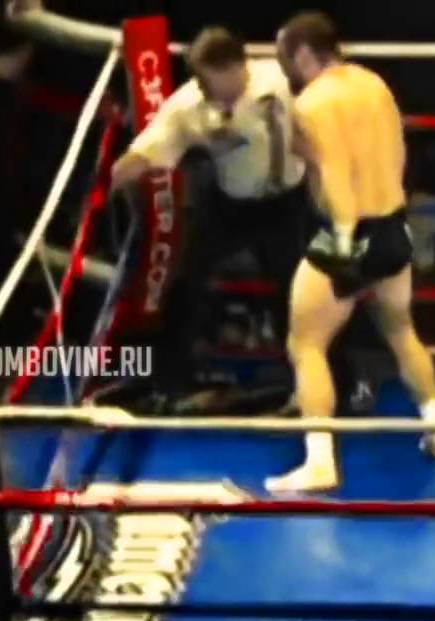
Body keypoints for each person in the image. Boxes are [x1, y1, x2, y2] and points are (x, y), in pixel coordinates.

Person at [267, 11, 435, 494]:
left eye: (284, 54)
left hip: (351, 230)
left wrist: (345, 239)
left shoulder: (312, 103)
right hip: (393, 223)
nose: (282, 64)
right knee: (401, 330)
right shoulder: (375, 84)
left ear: (303, 53)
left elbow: (333, 173)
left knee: (305, 344)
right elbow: (397, 153)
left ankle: (320, 463)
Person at [109, 26, 308, 402]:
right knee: (184, 279)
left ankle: (310, 381)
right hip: (231, 204)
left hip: (289, 202)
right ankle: (172, 381)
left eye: (210, 78)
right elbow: (150, 146)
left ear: (237, 67)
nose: (204, 88)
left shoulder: (281, 79)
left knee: (301, 292)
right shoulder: (189, 105)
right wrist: (109, 181)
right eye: (200, 79)